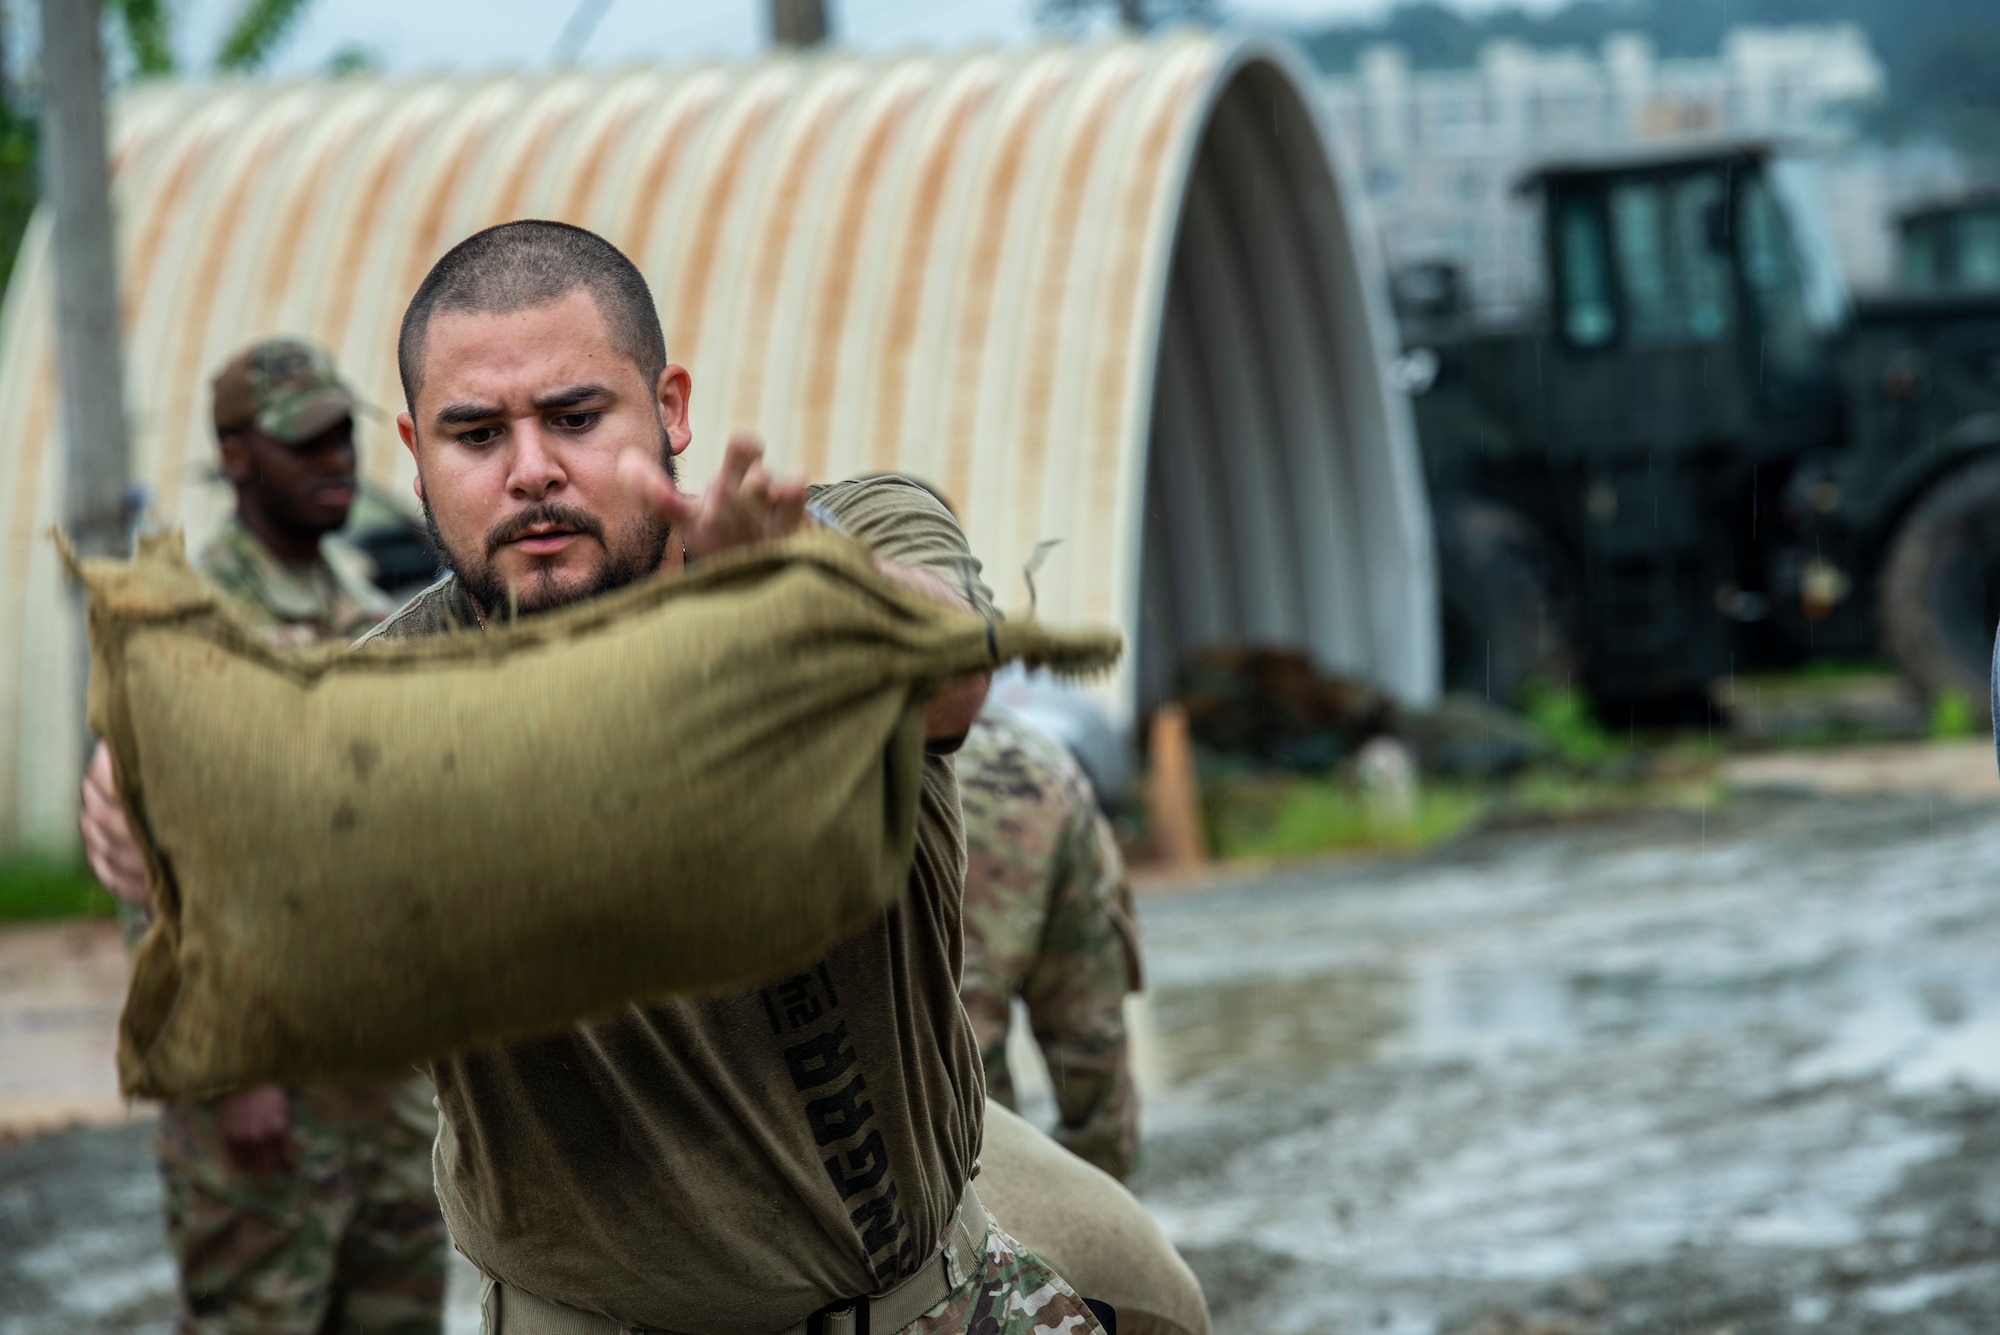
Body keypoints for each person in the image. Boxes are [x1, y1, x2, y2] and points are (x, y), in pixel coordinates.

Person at [84, 221, 1108, 1335]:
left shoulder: (842, 537)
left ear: (668, 407)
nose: (530, 470)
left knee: (1159, 1290)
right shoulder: (381, 710)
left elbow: (949, 672)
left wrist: (806, 599)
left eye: (574, 419)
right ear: (414, 452)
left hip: (930, 1300)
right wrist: (155, 815)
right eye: (474, 434)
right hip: (589, 1318)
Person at [84, 338, 448, 1335]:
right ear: (236, 456)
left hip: (386, 1084)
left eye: (342, 437)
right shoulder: (190, 622)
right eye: (304, 443)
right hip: (268, 1095)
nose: (336, 460)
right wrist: (233, 1073)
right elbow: (148, 868)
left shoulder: (368, 604)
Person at [957, 704, 1143, 1180]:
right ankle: (1096, 1235)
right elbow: (1091, 1033)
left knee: (959, 1048)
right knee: (1087, 1047)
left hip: (938, 778)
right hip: (1046, 777)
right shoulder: (1041, 753)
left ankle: (995, 1226)